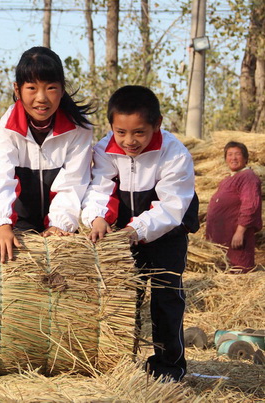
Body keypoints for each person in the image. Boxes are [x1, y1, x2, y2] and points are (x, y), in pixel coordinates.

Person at [81, 85, 199, 382]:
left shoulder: (175, 155)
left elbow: (171, 207)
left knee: (166, 299)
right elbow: (99, 187)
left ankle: (168, 367)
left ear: (157, 125)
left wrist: (137, 230)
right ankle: (120, 362)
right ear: (111, 126)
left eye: (139, 133)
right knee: (122, 298)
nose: (129, 141)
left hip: (167, 236)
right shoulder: (105, 149)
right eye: (121, 132)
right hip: (122, 237)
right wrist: (97, 218)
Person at [0, 47, 94, 263]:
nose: (42, 98)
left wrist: (59, 224)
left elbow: (73, 183)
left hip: (61, 222)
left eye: (51, 88)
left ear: (62, 90)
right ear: (17, 89)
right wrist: (2, 224)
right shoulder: (7, 128)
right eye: (32, 88)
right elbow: (2, 178)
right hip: (19, 219)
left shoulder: (79, 129)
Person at [206, 141, 262, 272]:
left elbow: (250, 206)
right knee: (223, 271)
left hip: (234, 238)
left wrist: (240, 232)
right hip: (222, 238)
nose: (233, 158)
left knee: (237, 269)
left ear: (246, 158)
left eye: (237, 154)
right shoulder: (228, 179)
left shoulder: (248, 177)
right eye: (229, 154)